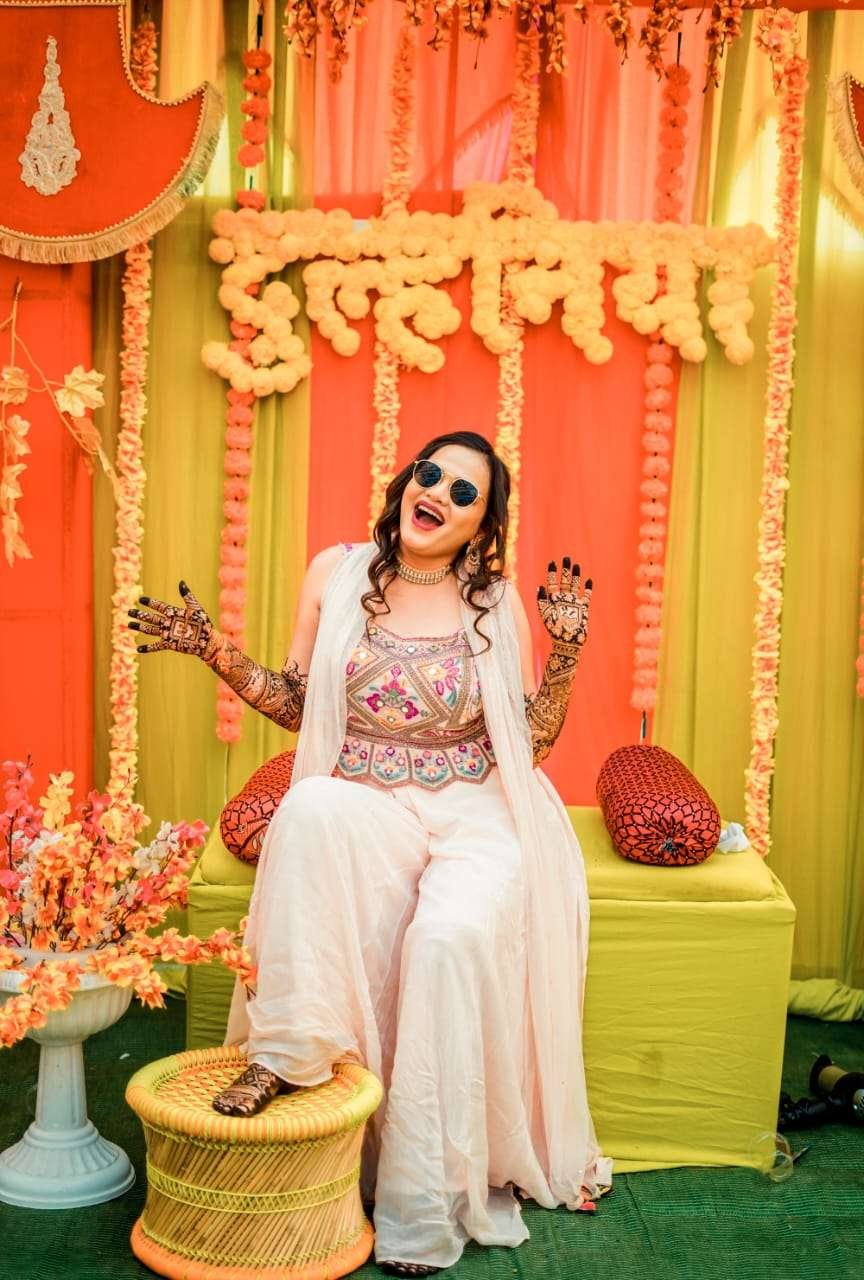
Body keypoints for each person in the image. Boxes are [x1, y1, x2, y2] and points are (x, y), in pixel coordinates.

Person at [128, 430, 611, 1277]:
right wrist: (214, 650)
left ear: (481, 526)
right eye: (431, 474)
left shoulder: (495, 602)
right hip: (370, 798)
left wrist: (566, 654)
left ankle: (422, 1202)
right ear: (405, 481)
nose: (439, 494)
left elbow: (529, 740)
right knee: (308, 805)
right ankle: (287, 1054)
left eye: (464, 493)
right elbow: (296, 702)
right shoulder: (337, 572)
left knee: (446, 941)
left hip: (476, 809)